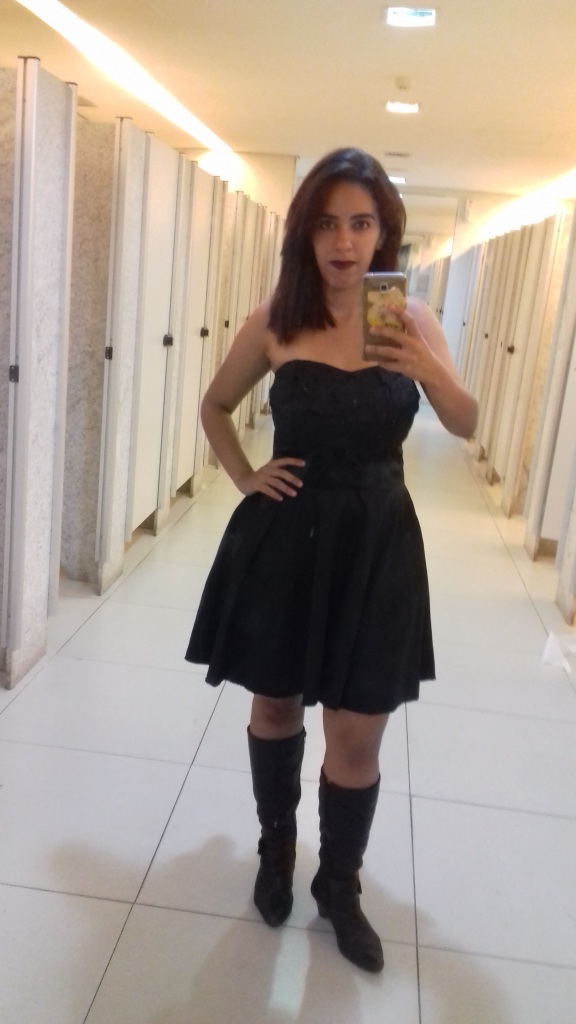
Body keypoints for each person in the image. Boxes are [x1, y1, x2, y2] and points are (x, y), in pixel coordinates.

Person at [185, 147, 478, 973]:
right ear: (304, 234)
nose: (344, 242)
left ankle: (338, 884)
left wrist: (425, 367)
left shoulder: (410, 322)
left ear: (384, 232)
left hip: (378, 545)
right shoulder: (277, 318)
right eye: (326, 223)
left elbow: (466, 421)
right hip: (287, 539)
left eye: (361, 223)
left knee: (358, 731)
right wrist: (246, 476)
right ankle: (277, 846)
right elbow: (215, 404)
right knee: (276, 703)